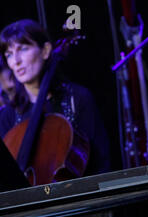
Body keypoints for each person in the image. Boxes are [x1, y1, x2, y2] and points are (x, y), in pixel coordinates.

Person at [0, 19, 110, 179]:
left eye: (23, 49)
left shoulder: (78, 99)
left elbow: (102, 166)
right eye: (9, 54)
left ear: (45, 51)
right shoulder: (8, 116)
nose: (16, 61)